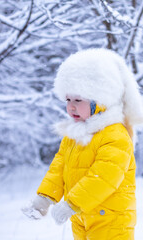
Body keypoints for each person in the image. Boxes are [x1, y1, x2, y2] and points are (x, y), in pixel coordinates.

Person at [22, 48, 143, 239]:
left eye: (78, 100)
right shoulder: (74, 135)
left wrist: (72, 203)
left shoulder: (115, 136)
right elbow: (59, 167)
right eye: (68, 99)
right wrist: (44, 198)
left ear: (100, 100)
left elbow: (105, 177)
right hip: (82, 218)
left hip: (111, 221)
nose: (71, 106)